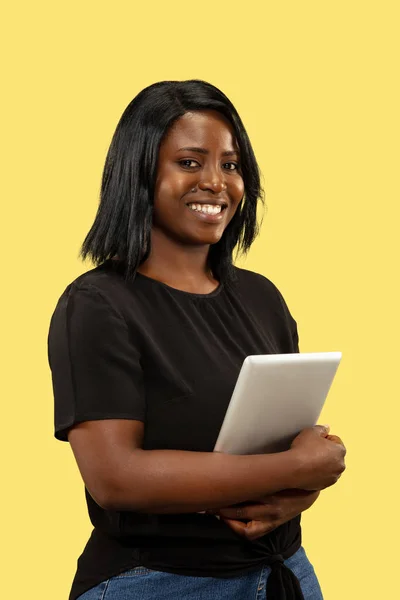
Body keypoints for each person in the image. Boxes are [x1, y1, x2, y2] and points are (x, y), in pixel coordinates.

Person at [47, 79, 346, 600]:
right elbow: (116, 477)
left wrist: (297, 495)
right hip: (158, 581)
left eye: (230, 165)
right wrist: (298, 469)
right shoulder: (98, 305)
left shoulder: (262, 298)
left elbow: (284, 435)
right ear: (140, 173)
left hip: (284, 572)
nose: (216, 182)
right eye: (189, 162)